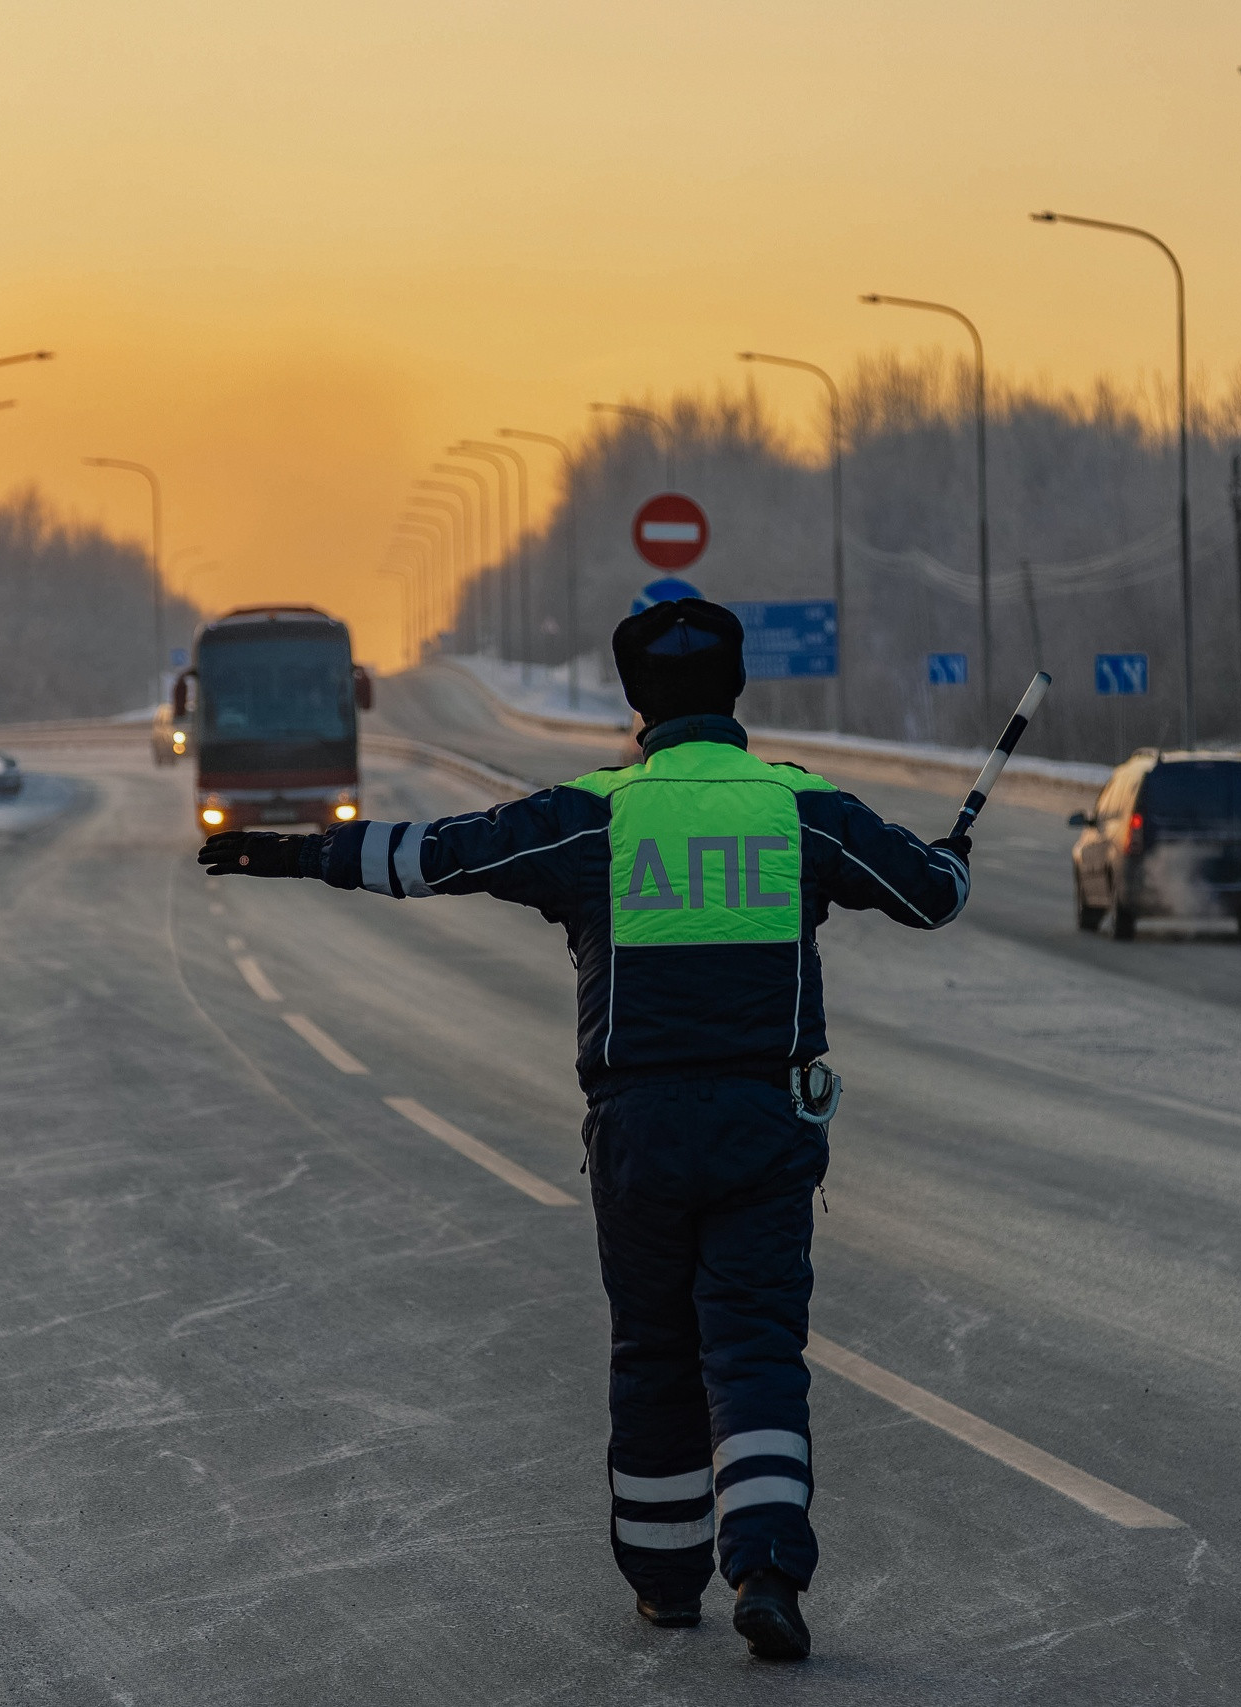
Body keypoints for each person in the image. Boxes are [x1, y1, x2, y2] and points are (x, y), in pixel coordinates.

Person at [197, 598, 970, 1661]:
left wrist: (288, 854)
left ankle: (663, 1585)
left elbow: (439, 855)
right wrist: (952, 859)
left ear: (633, 700)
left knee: (654, 1352)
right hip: (763, 1124)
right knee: (753, 1353)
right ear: (736, 691)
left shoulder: (595, 816)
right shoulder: (802, 810)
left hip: (637, 1131)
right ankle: (766, 1571)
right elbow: (929, 895)